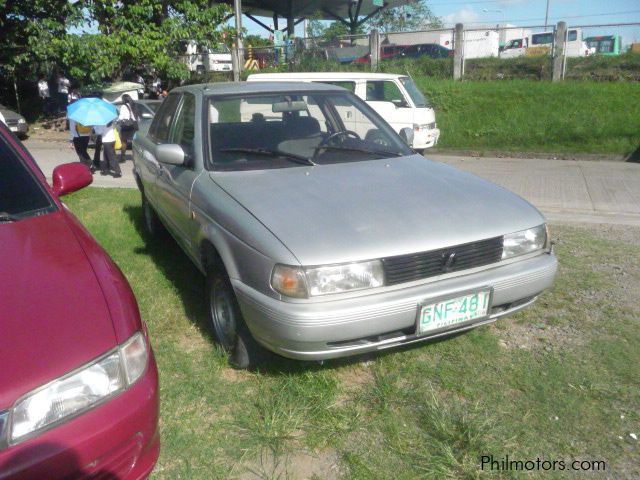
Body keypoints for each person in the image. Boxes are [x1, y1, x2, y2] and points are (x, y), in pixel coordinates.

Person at [117, 94, 137, 163]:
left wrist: (117, 120)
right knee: (134, 141)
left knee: (123, 141)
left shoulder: (123, 106)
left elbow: (121, 116)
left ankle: (123, 158)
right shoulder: (132, 105)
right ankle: (136, 157)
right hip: (133, 124)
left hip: (126, 125)